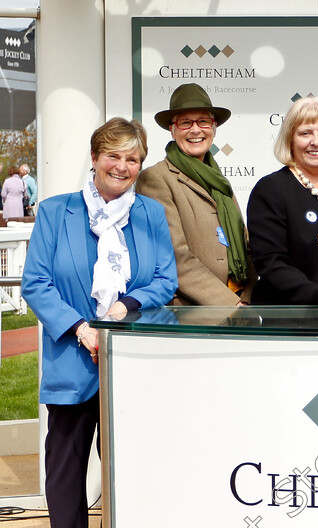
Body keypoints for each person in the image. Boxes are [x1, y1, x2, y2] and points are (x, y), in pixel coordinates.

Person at [21, 117, 178, 528]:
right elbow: (37, 283)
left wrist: (128, 304)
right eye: (113, 156)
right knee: (66, 473)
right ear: (94, 157)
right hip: (73, 357)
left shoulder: (151, 213)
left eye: (133, 158)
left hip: (131, 360)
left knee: (133, 468)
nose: (122, 167)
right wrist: (80, 327)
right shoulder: (56, 212)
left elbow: (165, 279)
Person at [137, 83, 255, 305]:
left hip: (240, 306)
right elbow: (175, 256)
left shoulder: (219, 180)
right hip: (192, 313)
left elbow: (245, 246)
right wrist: (231, 305)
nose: (195, 130)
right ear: (172, 129)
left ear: (214, 127)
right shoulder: (155, 179)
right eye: (185, 123)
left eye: (203, 121)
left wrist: (246, 298)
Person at [247, 97, 318, 305]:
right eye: (305, 133)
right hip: (293, 319)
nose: (316, 142)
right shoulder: (271, 189)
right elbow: (271, 263)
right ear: (290, 139)